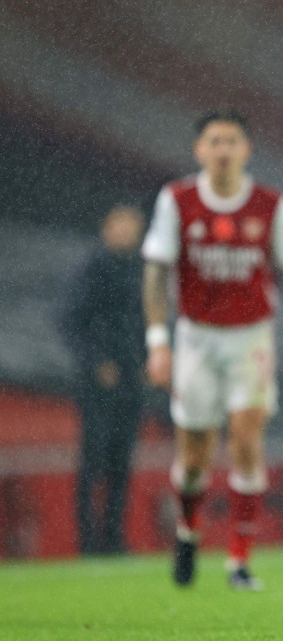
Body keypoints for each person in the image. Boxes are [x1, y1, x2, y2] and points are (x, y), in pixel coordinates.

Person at [141, 108, 283, 590]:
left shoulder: (271, 204)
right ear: (200, 150)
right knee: (195, 457)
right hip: (196, 337)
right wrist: (158, 343)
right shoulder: (176, 200)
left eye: (231, 141)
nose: (223, 150)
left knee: (245, 438)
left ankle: (239, 560)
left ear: (246, 149)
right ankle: (188, 531)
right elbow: (157, 271)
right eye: (214, 142)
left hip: (251, 338)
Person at [59, 205, 147, 556]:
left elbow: (147, 319)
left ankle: (113, 539)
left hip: (131, 379)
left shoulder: (140, 269)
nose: (127, 232)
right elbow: (68, 320)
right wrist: (97, 362)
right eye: (121, 225)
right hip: (96, 384)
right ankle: (86, 542)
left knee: (121, 460)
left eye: (133, 226)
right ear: (106, 227)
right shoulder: (90, 267)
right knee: (94, 458)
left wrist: (146, 359)